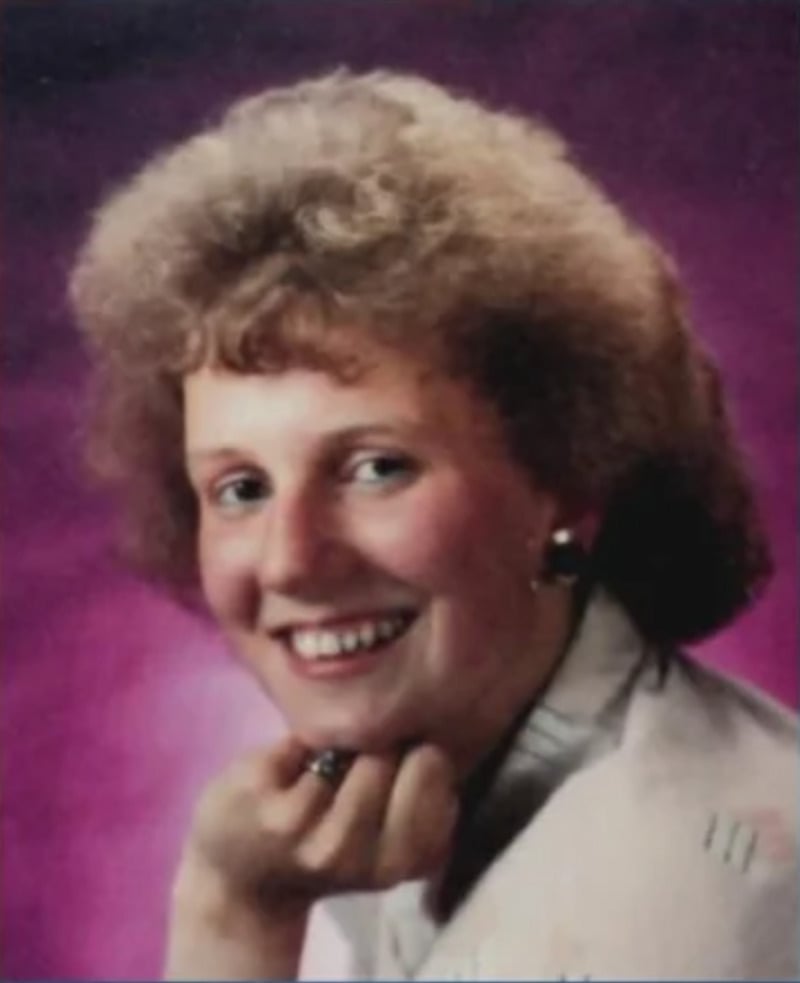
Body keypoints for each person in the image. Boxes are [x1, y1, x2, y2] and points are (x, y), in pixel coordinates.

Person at [69, 69, 797, 980]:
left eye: (377, 467)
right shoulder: (409, 791)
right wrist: (240, 897)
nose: (292, 559)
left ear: (566, 480)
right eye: (241, 487)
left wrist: (229, 920)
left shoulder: (684, 890)